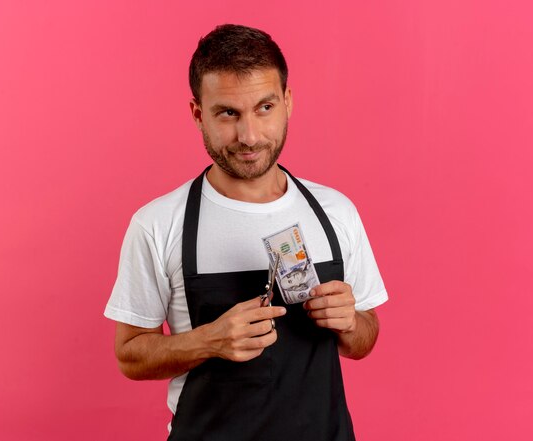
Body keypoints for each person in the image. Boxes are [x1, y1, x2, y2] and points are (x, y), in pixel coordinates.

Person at [104, 24, 388, 441]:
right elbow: (129, 356)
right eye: (228, 113)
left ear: (288, 102)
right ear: (198, 113)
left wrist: (348, 323)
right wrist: (208, 341)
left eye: (265, 107)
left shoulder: (336, 212)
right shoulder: (158, 223)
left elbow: (364, 338)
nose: (249, 136)